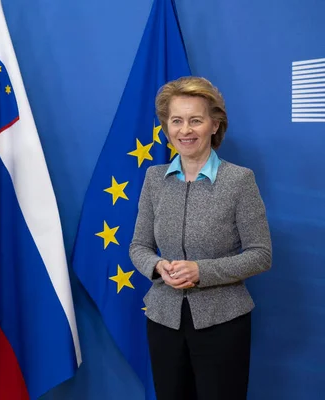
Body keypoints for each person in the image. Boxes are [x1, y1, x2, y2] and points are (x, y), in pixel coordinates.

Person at [129, 76, 272, 400]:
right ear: (166, 128)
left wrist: (201, 272)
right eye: (176, 121)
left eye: (196, 120)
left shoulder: (239, 180)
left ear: (214, 124)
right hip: (163, 320)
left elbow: (261, 253)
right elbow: (138, 246)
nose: (185, 130)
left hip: (223, 324)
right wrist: (157, 266)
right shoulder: (154, 179)